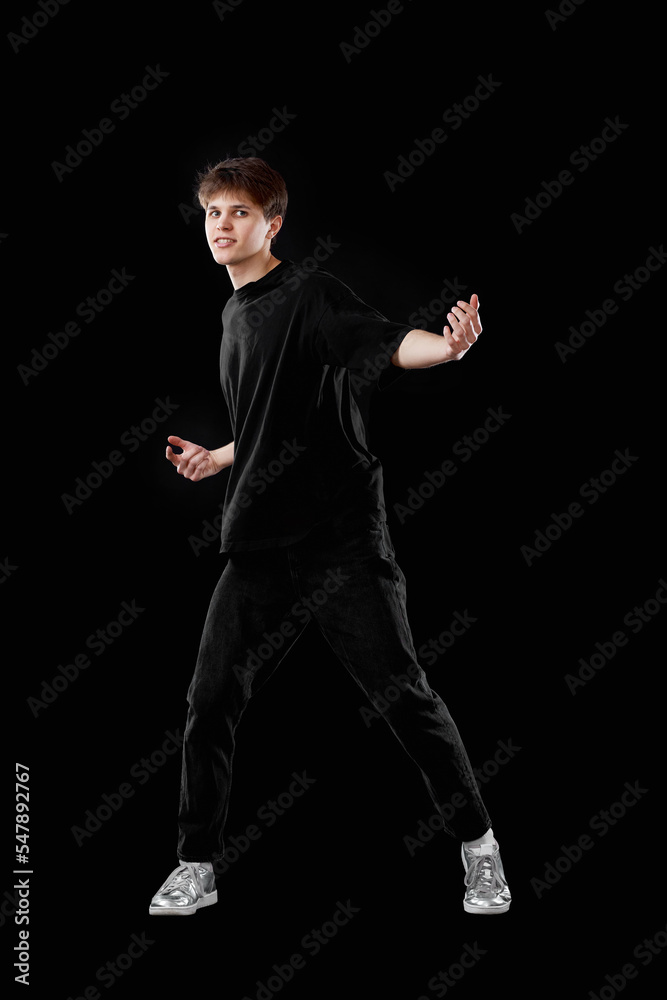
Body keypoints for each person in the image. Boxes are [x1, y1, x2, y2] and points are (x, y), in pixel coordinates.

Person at [149, 156, 511, 917]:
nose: (222, 224)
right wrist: (220, 457)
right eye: (213, 212)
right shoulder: (233, 315)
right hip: (258, 543)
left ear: (273, 224)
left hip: (339, 539)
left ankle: (480, 849)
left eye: (240, 212)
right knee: (209, 700)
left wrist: (446, 348)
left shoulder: (311, 295)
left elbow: (383, 342)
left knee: (403, 696)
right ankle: (195, 864)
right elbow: (275, 422)